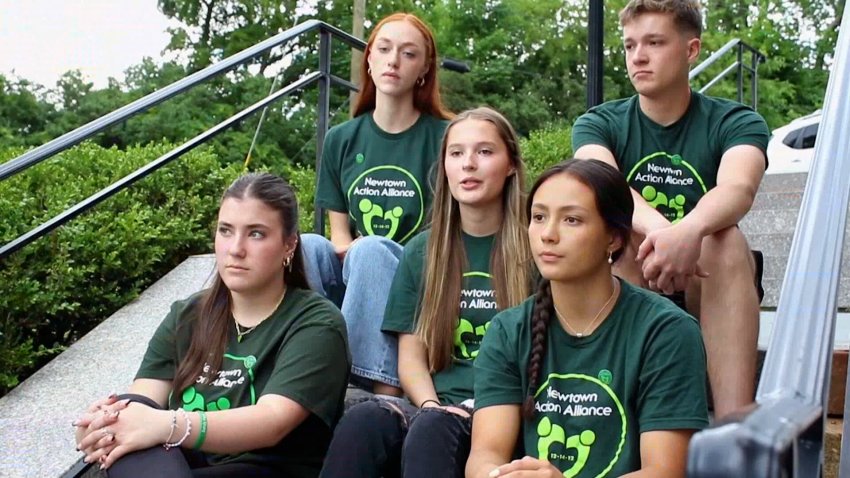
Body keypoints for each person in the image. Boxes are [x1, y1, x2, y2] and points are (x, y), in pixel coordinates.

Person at [73, 173, 350, 477]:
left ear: (289, 245)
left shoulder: (316, 323)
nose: (236, 249)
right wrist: (103, 425)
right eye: (226, 231)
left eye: (256, 234)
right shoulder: (188, 315)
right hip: (175, 466)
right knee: (127, 447)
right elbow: (143, 399)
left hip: (263, 469)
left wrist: (165, 424)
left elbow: (272, 421)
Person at [571, 0, 770, 417]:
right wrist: (667, 236)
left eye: (654, 42)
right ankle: (627, 417)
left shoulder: (736, 120)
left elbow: (738, 187)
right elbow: (608, 188)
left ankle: (734, 427)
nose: (638, 56)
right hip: (632, 272)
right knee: (618, 241)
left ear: (691, 50)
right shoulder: (597, 123)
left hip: (708, 280)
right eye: (629, 46)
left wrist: (690, 231)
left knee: (725, 240)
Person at [319, 107, 534, 478]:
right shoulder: (424, 251)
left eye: (484, 152)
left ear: (511, 164)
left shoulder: (536, 247)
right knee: (367, 417)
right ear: (445, 166)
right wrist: (431, 404)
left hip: (502, 414)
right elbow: (411, 357)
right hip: (437, 407)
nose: (468, 164)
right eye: (456, 153)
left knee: (433, 430)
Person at [466, 159, 709, 478]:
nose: (548, 234)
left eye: (572, 219)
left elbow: (666, 471)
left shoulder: (666, 332)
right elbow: (484, 456)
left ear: (614, 238)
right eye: (538, 217)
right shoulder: (509, 330)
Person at [302, 12, 452, 397]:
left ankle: (377, 387)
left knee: (371, 249)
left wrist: (368, 254)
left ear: (423, 70)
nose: (393, 61)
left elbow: (443, 237)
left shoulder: (445, 137)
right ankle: (307, 367)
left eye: (408, 53)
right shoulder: (341, 139)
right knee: (307, 245)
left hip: (417, 280)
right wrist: (350, 253)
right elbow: (338, 236)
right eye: (384, 49)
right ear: (368, 59)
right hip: (356, 275)